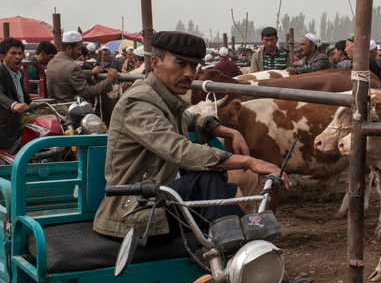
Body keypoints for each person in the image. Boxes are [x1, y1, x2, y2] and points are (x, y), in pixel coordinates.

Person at [94, 31, 287, 241]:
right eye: (180, 63)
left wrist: (228, 130)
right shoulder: (139, 103)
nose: (189, 73)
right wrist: (249, 161)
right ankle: (238, 247)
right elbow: (179, 150)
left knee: (216, 181)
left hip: (158, 197)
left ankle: (240, 243)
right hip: (132, 210)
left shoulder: (163, 97)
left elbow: (188, 118)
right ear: (156, 62)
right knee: (206, 180)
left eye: (193, 66)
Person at [46, 31, 118, 102]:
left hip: (54, 106)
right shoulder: (72, 66)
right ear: (69, 49)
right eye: (79, 49)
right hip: (69, 108)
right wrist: (108, 80)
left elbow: (66, 75)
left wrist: (91, 72)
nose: (80, 53)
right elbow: (87, 93)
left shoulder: (52, 62)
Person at [0, 38, 31, 153]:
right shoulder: (1, 71)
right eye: (13, 53)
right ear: (3, 56)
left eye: (20, 53)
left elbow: (25, 98)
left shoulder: (20, 73)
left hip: (19, 121)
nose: (18, 57)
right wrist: (13, 104)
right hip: (5, 127)